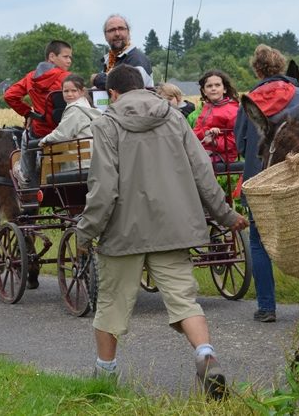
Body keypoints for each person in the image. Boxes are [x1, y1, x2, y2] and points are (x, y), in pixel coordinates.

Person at [76, 64, 248, 400]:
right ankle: (206, 356)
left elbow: (103, 188)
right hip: (173, 228)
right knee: (185, 302)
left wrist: (85, 233)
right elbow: (203, 172)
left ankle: (104, 378)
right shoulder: (173, 117)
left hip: (123, 235)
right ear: (145, 86)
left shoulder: (106, 124)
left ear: (112, 93)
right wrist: (226, 216)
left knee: (110, 306)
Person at [234, 45, 299, 322]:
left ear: (257, 70)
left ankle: (266, 307)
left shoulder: (248, 103)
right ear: (281, 67)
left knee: (259, 243)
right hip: (297, 178)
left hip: (260, 179)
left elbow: (240, 144)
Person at [4, 40, 72, 189]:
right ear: (52, 57)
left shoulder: (30, 78)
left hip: (40, 133)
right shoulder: (68, 78)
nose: (69, 61)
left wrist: (27, 113)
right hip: (66, 133)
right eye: (66, 57)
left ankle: (27, 177)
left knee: (26, 136)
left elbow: (9, 96)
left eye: (70, 57)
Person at [39, 74, 102, 169]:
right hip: (91, 159)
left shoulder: (75, 109)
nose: (69, 94)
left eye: (74, 91)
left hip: (79, 162)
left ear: (81, 92)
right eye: (66, 91)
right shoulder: (85, 105)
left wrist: (43, 141)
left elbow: (62, 134)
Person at [92, 14, 154, 90]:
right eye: (112, 30)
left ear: (128, 32)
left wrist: (97, 79)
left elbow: (129, 88)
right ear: (105, 36)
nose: (117, 34)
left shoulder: (136, 59)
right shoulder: (110, 59)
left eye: (121, 29)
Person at [193, 70, 240, 164]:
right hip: (205, 149)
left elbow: (236, 139)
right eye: (209, 86)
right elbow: (198, 129)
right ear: (204, 91)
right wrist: (207, 133)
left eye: (217, 85)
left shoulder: (232, 110)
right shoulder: (206, 107)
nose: (213, 88)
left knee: (196, 165)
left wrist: (214, 141)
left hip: (223, 154)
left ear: (225, 89)